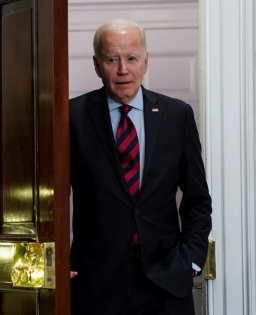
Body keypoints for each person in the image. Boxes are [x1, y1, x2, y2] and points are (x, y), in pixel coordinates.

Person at [69, 19, 212, 315]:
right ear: (97, 65)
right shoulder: (71, 117)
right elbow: (49, 198)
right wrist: (54, 260)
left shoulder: (177, 115)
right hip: (95, 284)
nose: (123, 70)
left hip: (167, 282)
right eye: (112, 59)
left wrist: (192, 261)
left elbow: (198, 200)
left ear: (145, 62)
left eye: (131, 58)